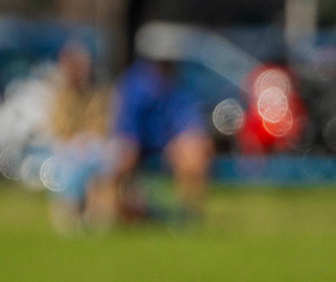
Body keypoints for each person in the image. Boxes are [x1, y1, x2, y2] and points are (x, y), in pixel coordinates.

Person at [107, 26, 210, 221]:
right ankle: (112, 210)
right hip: (135, 143)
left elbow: (189, 125)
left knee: (195, 152)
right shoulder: (132, 85)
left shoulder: (179, 85)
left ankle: (188, 216)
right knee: (123, 156)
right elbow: (126, 131)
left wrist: (189, 145)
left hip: (166, 145)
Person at [41, 42, 111, 233]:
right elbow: (57, 128)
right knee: (71, 164)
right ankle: (71, 210)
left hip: (90, 146)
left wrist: (87, 138)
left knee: (98, 158)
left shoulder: (96, 92)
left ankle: (94, 212)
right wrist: (74, 141)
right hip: (64, 147)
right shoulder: (59, 93)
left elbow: (101, 123)